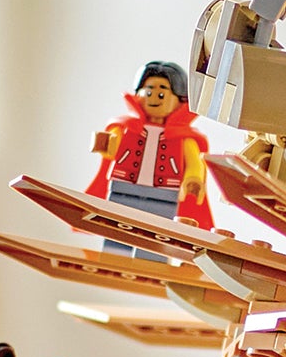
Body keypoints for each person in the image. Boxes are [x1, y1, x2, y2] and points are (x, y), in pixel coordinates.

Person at [85, 61, 213, 253]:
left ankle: (150, 260)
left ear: (180, 100)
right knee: (117, 230)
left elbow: (195, 162)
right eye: (148, 91)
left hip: (164, 193)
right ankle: (114, 257)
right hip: (123, 187)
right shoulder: (127, 128)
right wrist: (105, 143)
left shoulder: (184, 137)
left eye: (162, 93)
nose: (154, 98)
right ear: (138, 94)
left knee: (156, 236)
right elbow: (112, 150)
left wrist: (193, 178)